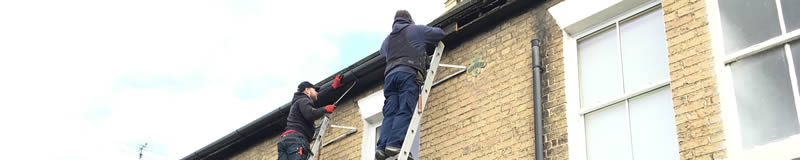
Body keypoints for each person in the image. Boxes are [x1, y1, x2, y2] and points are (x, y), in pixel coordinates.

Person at [376, 10, 445, 160]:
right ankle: (394, 144)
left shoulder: (388, 40)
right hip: (407, 73)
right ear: (409, 20)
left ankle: (381, 148)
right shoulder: (415, 30)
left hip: (389, 78)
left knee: (390, 112)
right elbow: (439, 33)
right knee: (406, 107)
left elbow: (382, 51)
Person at [277, 79, 341, 160]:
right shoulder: (304, 100)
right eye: (315, 90)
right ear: (307, 90)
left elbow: (318, 98)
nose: (317, 92)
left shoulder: (298, 101)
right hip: (296, 140)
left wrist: (332, 87)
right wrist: (325, 109)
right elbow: (310, 114)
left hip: (286, 140)